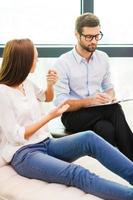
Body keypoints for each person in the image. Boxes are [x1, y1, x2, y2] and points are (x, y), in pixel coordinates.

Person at [0, 39, 133, 200]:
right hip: (24, 154)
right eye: (35, 57)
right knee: (77, 173)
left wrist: (50, 85)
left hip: (45, 143)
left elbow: (45, 97)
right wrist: (50, 116)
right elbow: (17, 136)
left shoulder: (25, 83)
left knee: (89, 138)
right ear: (24, 61)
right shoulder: (3, 93)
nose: (38, 60)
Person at [53, 12, 133, 161]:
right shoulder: (63, 63)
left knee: (106, 129)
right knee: (114, 110)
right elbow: (61, 104)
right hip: (73, 116)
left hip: (99, 112)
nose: (94, 41)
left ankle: (118, 168)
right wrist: (89, 101)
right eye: (89, 37)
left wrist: (109, 97)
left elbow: (109, 87)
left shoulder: (103, 58)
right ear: (77, 35)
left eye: (97, 36)